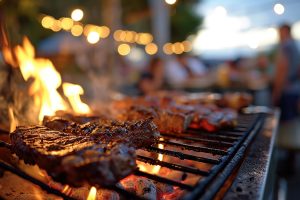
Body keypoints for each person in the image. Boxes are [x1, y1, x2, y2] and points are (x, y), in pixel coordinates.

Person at [273, 23, 300, 121]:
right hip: (295, 88)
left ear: (285, 31)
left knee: (285, 123)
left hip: (286, 90)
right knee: (294, 121)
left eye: (280, 32)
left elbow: (282, 69)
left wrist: (276, 91)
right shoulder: (294, 45)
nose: (279, 35)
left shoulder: (285, 46)